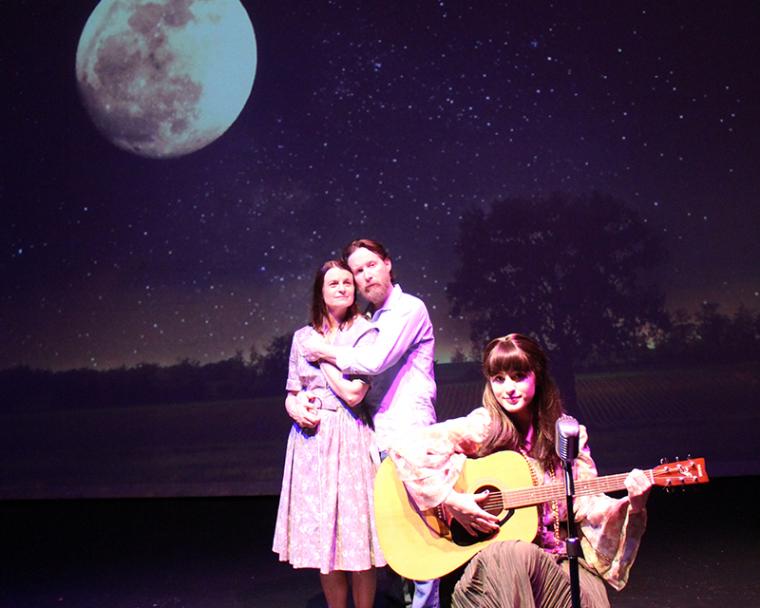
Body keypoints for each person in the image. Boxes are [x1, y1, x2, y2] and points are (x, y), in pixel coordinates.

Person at [387, 333, 653, 608]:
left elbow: (588, 506)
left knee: (528, 563)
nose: (509, 388)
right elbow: (406, 448)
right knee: (509, 553)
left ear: (537, 375)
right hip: (494, 576)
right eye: (499, 379)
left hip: (557, 569)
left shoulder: (567, 434)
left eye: (518, 376)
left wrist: (633, 504)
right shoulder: (483, 427)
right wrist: (453, 501)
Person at [303, 238, 439, 608]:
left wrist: (324, 351)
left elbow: (374, 361)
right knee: (403, 533)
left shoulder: (409, 309)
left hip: (409, 432)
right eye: (357, 271)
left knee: (423, 533)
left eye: (370, 266)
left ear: (388, 264)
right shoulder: (372, 320)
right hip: (381, 435)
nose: (364, 276)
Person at [272, 260, 386, 608]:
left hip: (350, 435)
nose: (342, 287)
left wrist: (323, 357)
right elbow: (292, 390)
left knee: (356, 534)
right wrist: (294, 407)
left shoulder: (365, 332)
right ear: (320, 291)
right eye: (333, 283)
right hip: (311, 442)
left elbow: (354, 394)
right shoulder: (302, 337)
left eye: (347, 282)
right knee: (327, 538)